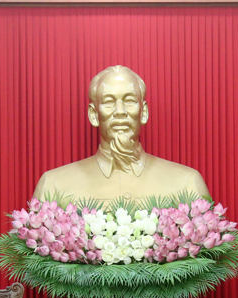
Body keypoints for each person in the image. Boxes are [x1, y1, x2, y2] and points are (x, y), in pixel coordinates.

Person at [32, 65, 210, 204]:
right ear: (93, 114)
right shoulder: (54, 186)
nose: (120, 111)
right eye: (108, 102)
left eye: (130, 101)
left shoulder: (187, 184)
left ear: (143, 112)